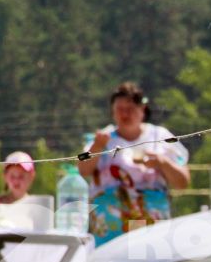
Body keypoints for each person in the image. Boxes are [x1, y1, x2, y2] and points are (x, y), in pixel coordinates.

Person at [78, 81, 190, 244]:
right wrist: (98, 146)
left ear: (142, 110)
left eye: (130, 109)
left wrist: (162, 162)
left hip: (151, 227)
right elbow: (83, 170)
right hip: (109, 228)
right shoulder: (103, 138)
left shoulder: (160, 137)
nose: (125, 115)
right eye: (119, 110)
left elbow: (183, 182)